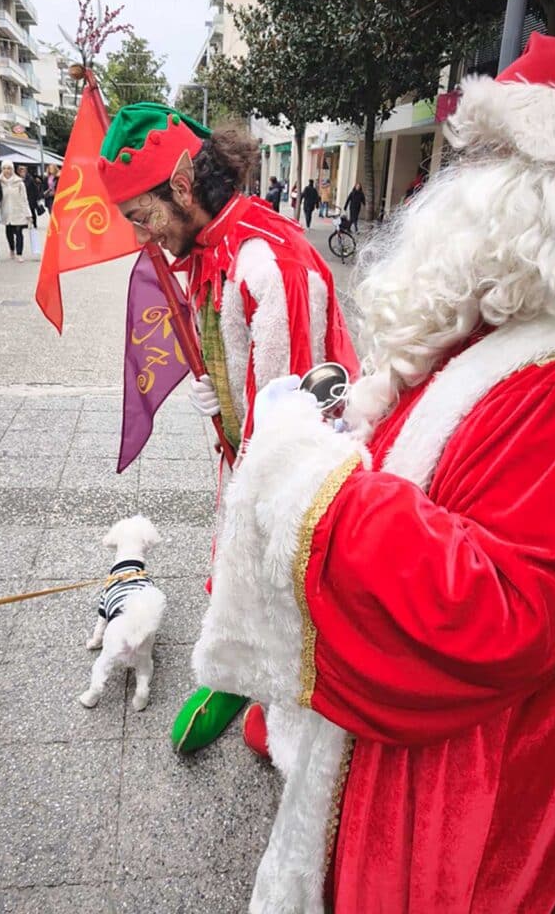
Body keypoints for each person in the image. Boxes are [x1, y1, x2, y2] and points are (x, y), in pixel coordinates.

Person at [192, 33, 555, 913]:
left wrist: (307, 476)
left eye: (488, 160)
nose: (455, 189)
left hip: (476, 789)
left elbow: (498, 611)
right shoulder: (522, 329)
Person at [97, 103, 358, 756]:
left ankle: (286, 707)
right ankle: (240, 669)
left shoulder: (271, 262)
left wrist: (256, 466)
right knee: (236, 558)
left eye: (143, 217)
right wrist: (216, 391)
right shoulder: (209, 248)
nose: (140, 237)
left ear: (181, 186)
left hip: (293, 469)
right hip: (241, 455)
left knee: (287, 582)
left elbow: (306, 407)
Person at [0, 161, 32, 262]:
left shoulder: (19, 182)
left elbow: (24, 199)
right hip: (6, 211)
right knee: (9, 232)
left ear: (12, 170)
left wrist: (28, 214)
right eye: (4, 168)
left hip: (18, 211)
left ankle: (19, 253)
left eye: (9, 168)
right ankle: (12, 249)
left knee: (18, 232)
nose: (7, 171)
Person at [17, 163, 39, 228]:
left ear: (26, 171)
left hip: (31, 198)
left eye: (23, 170)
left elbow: (34, 188)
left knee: (32, 211)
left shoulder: (30, 178)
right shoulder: (18, 178)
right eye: (20, 170)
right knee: (24, 211)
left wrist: (36, 198)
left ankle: (34, 223)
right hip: (22, 198)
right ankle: (26, 223)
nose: (22, 171)